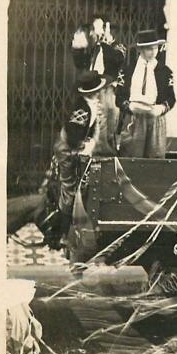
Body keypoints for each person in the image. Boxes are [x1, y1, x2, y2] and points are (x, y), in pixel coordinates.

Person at [47, 71, 107, 248]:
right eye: (98, 91)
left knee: (73, 190)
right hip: (67, 150)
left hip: (74, 149)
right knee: (69, 191)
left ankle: (64, 231)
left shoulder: (91, 105)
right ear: (92, 92)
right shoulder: (82, 107)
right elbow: (73, 135)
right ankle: (60, 235)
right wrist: (85, 144)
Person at [70, 17, 126, 156]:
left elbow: (117, 59)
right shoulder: (92, 47)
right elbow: (80, 63)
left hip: (107, 90)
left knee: (107, 123)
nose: (95, 33)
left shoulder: (116, 47)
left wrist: (105, 43)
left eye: (98, 29)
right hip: (91, 89)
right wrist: (77, 47)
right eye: (94, 30)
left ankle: (105, 152)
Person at [116, 29, 175, 158]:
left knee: (155, 158)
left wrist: (161, 108)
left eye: (156, 48)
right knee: (131, 155)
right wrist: (129, 106)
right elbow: (119, 96)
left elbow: (171, 98)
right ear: (140, 50)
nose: (153, 52)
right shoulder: (127, 71)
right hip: (134, 118)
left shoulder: (165, 72)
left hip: (155, 119)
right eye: (149, 49)